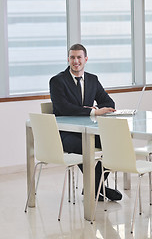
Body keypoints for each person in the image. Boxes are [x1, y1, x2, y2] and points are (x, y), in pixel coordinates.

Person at [49, 43, 122, 201]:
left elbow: (109, 103)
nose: (76, 61)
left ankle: (94, 186)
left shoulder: (92, 80)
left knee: (115, 144)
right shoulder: (57, 81)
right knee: (85, 148)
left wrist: (95, 107)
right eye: (72, 57)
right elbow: (63, 108)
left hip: (88, 131)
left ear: (85, 59)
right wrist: (93, 111)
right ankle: (99, 188)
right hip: (65, 134)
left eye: (79, 57)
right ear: (68, 59)